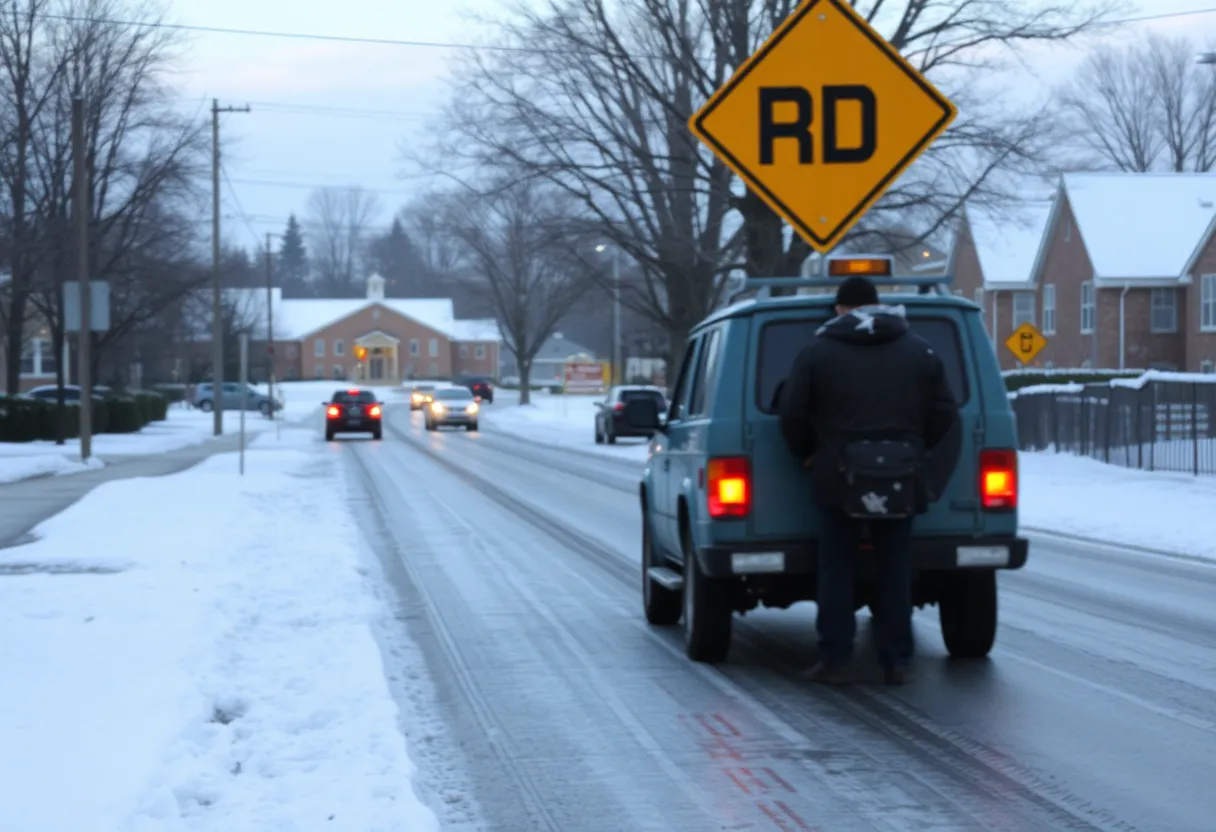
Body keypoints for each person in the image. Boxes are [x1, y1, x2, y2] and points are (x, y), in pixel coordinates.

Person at [778, 275, 960, 685]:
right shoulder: (919, 350)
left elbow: (793, 412)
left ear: (841, 309)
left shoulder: (818, 351)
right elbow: (946, 411)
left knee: (836, 567)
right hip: (900, 473)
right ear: (878, 305)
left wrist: (808, 452)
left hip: (836, 475)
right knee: (896, 566)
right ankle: (897, 660)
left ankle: (835, 657)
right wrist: (914, 447)